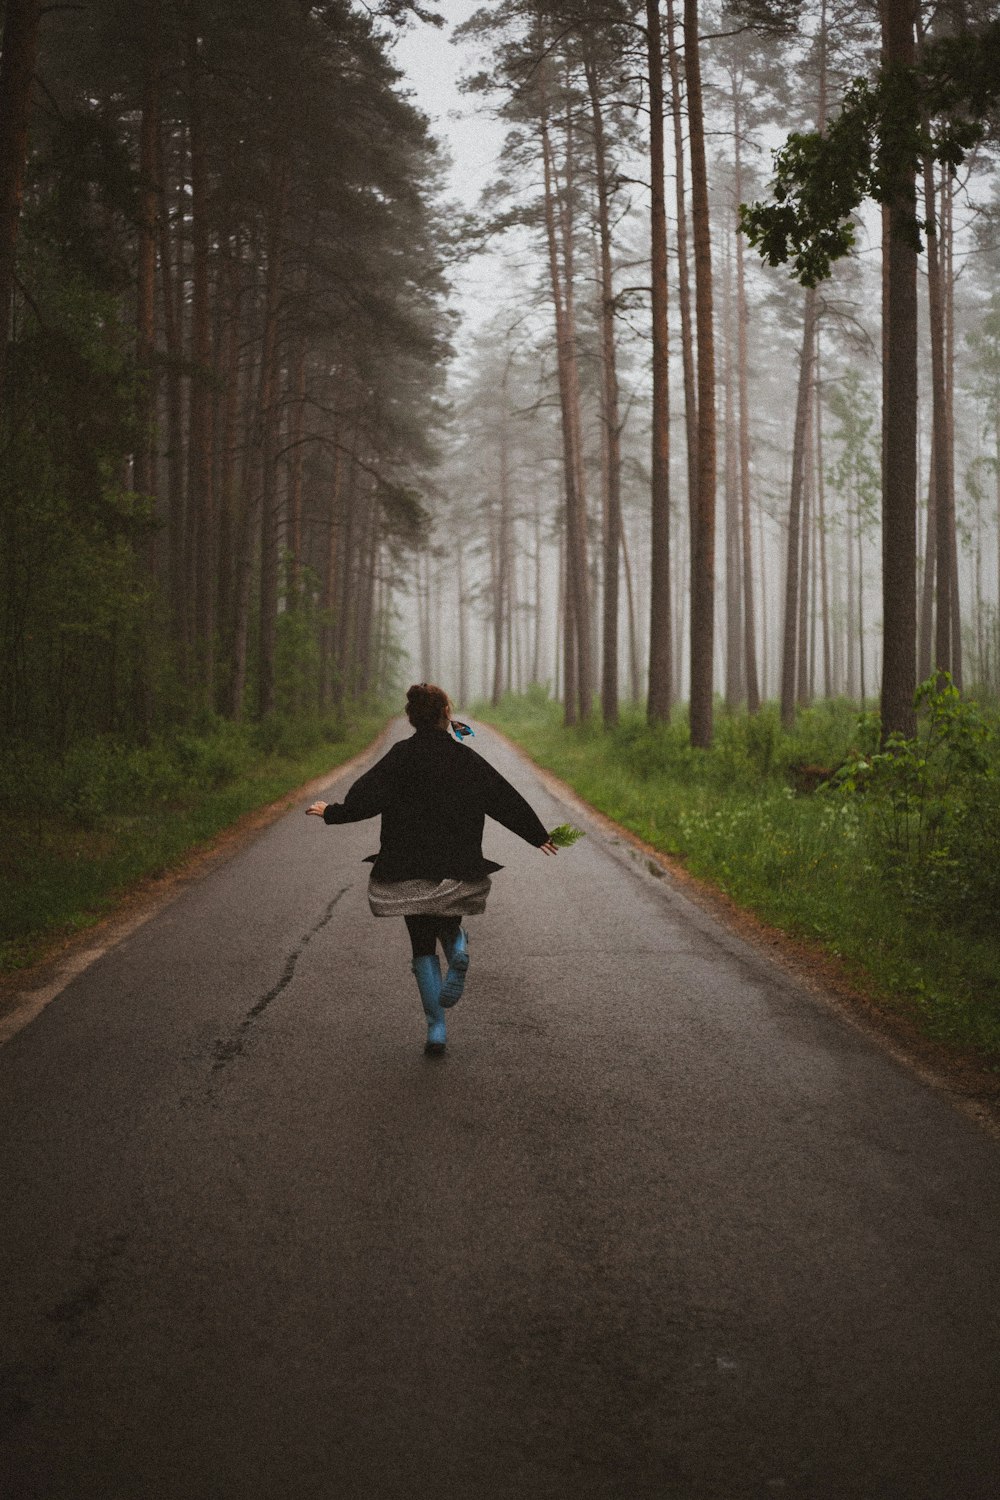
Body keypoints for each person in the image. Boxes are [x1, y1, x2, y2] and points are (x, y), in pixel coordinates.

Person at [306, 683, 558, 1055]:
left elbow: (366, 799)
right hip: (457, 867)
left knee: (420, 943)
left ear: (412, 718)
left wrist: (332, 812)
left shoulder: (400, 756)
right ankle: (456, 943)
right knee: (447, 917)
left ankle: (436, 1029)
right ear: (446, 715)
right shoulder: (465, 759)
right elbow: (503, 797)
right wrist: (536, 835)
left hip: (406, 867)